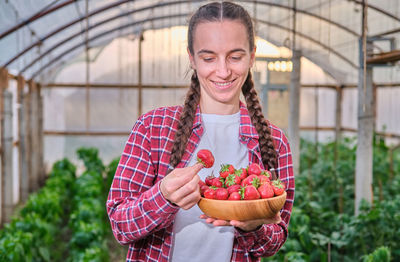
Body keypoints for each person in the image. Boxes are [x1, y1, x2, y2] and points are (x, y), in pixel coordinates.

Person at [107, 1, 294, 261]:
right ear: (192, 58)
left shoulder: (274, 142)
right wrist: (163, 197)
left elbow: (276, 239)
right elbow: (120, 225)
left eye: (235, 57)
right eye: (208, 58)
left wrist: (254, 226)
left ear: (252, 56)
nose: (223, 71)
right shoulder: (153, 128)